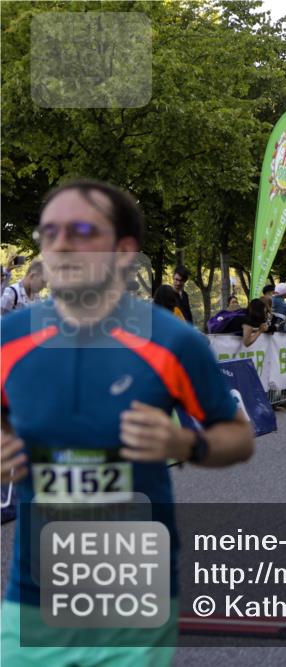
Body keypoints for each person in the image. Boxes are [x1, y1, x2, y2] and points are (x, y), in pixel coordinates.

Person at [0, 179, 254, 667]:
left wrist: (185, 442)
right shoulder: (9, 340)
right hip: (31, 598)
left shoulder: (174, 341)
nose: (60, 244)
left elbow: (238, 437)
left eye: (80, 230)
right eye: (49, 232)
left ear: (124, 251)